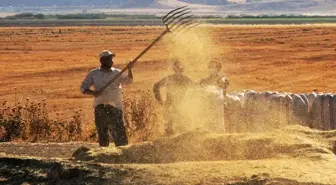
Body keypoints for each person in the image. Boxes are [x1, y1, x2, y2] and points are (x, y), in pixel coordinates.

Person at [80, 50, 133, 147]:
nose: (111, 61)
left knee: (120, 132)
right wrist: (93, 92)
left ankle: (123, 153)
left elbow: (128, 81)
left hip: (116, 106)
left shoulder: (117, 72)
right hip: (100, 107)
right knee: (102, 132)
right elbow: (83, 88)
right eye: (109, 59)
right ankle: (104, 154)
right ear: (102, 60)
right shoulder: (94, 74)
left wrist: (129, 69)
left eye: (111, 59)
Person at [153, 60, 194, 135]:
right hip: (170, 107)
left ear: (182, 70)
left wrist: (190, 100)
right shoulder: (169, 79)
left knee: (183, 127)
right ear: (174, 69)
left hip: (181, 107)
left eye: (180, 68)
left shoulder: (186, 80)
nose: (178, 70)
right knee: (170, 127)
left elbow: (196, 89)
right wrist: (160, 100)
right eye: (176, 68)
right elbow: (156, 86)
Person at [198, 60, 229, 133]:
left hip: (218, 105)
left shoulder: (222, 78)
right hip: (208, 104)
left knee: (219, 125)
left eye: (212, 67)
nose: (210, 69)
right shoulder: (205, 80)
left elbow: (224, 84)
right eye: (209, 67)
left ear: (218, 68)